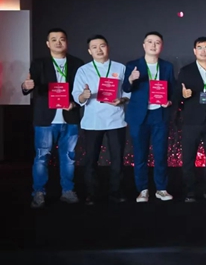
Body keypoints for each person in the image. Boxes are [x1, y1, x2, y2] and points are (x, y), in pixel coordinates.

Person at [22, 28, 84, 208]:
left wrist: (74, 103)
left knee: (69, 158)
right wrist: (26, 86)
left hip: (69, 117)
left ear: (67, 42)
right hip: (45, 119)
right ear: (48, 44)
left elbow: (81, 90)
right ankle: (39, 193)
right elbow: (29, 85)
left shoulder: (77, 63)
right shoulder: (39, 63)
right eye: (54, 39)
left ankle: (68, 191)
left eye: (62, 39)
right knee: (42, 157)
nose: (58, 42)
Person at [73, 35, 129, 205]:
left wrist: (122, 100)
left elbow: (128, 92)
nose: (99, 50)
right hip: (92, 121)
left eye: (102, 46)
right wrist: (84, 95)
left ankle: (116, 192)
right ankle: (91, 193)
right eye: (94, 47)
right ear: (89, 51)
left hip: (116, 119)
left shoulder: (120, 68)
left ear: (108, 47)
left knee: (117, 159)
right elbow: (77, 97)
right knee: (91, 159)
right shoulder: (83, 70)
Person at [123, 32, 178, 203]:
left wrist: (169, 101)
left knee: (160, 154)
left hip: (159, 115)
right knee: (140, 155)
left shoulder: (167, 66)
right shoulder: (133, 65)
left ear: (162, 46)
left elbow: (173, 90)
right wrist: (131, 79)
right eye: (150, 42)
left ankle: (161, 188)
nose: (153, 45)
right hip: (139, 116)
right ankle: (143, 190)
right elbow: (126, 88)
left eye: (157, 42)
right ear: (144, 45)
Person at [176, 37, 206, 202]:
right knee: (188, 159)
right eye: (200, 47)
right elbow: (176, 95)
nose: (203, 51)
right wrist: (183, 95)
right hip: (191, 122)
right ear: (194, 51)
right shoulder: (186, 71)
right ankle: (190, 192)